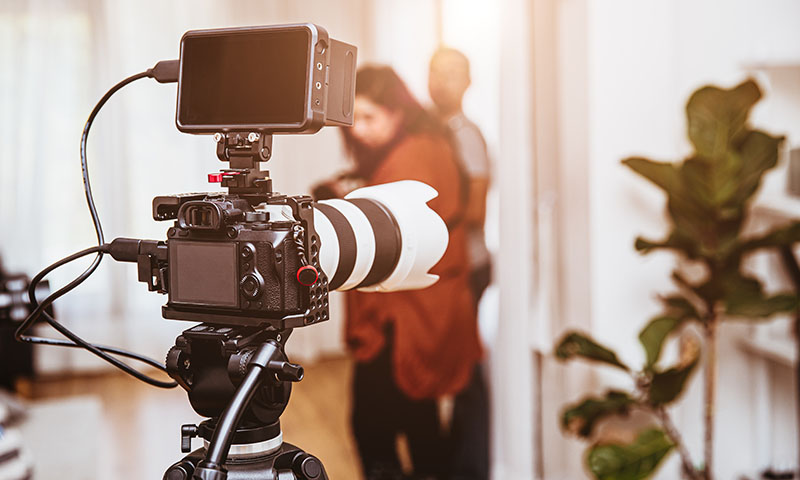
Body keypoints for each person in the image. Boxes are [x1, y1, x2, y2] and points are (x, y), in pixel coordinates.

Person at [313, 65, 482, 480]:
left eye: (371, 118)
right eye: (356, 120)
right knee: (413, 422)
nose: (359, 131)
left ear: (397, 114)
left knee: (382, 426)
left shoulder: (418, 153)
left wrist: (344, 201)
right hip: (407, 310)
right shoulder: (419, 147)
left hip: (408, 313)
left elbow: (389, 231)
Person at [429, 47, 492, 480]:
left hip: (467, 266)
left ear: (468, 82)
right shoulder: (434, 131)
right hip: (449, 266)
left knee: (465, 371)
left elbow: (475, 211)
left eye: (453, 74)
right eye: (436, 73)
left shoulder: (464, 134)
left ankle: (469, 468)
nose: (442, 82)